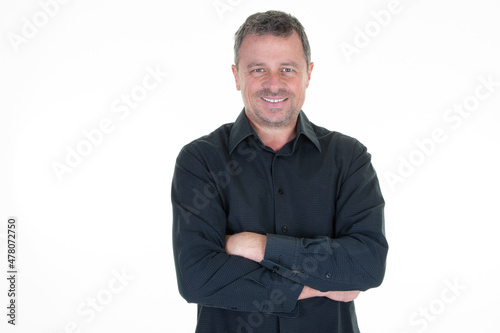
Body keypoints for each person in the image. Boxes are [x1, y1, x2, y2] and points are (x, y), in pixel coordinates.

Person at [172, 10, 388, 333]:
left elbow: (367, 264)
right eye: (258, 69)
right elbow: (197, 277)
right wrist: (318, 285)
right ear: (236, 76)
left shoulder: (349, 159)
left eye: (287, 69)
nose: (274, 84)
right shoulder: (200, 161)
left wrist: (260, 247)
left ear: (308, 75)